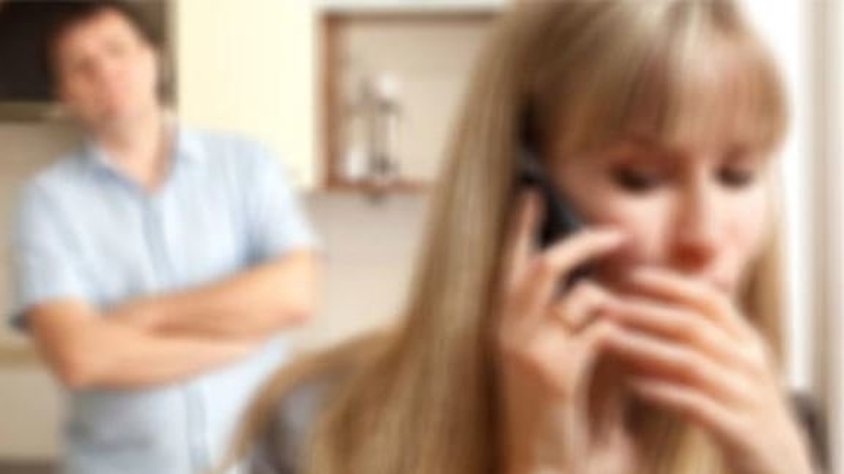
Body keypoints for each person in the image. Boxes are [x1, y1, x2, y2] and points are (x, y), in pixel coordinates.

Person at [231, 1, 825, 473]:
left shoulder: (782, 435)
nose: (705, 236)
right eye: (640, 179)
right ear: (522, 188)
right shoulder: (320, 425)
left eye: (737, 176)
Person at [7, 2, 319, 473]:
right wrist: (234, 345)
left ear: (155, 58)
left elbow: (295, 294)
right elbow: (80, 356)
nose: (105, 71)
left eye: (117, 50)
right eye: (81, 65)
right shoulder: (47, 203)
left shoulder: (247, 165)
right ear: (64, 92)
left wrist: (142, 315)